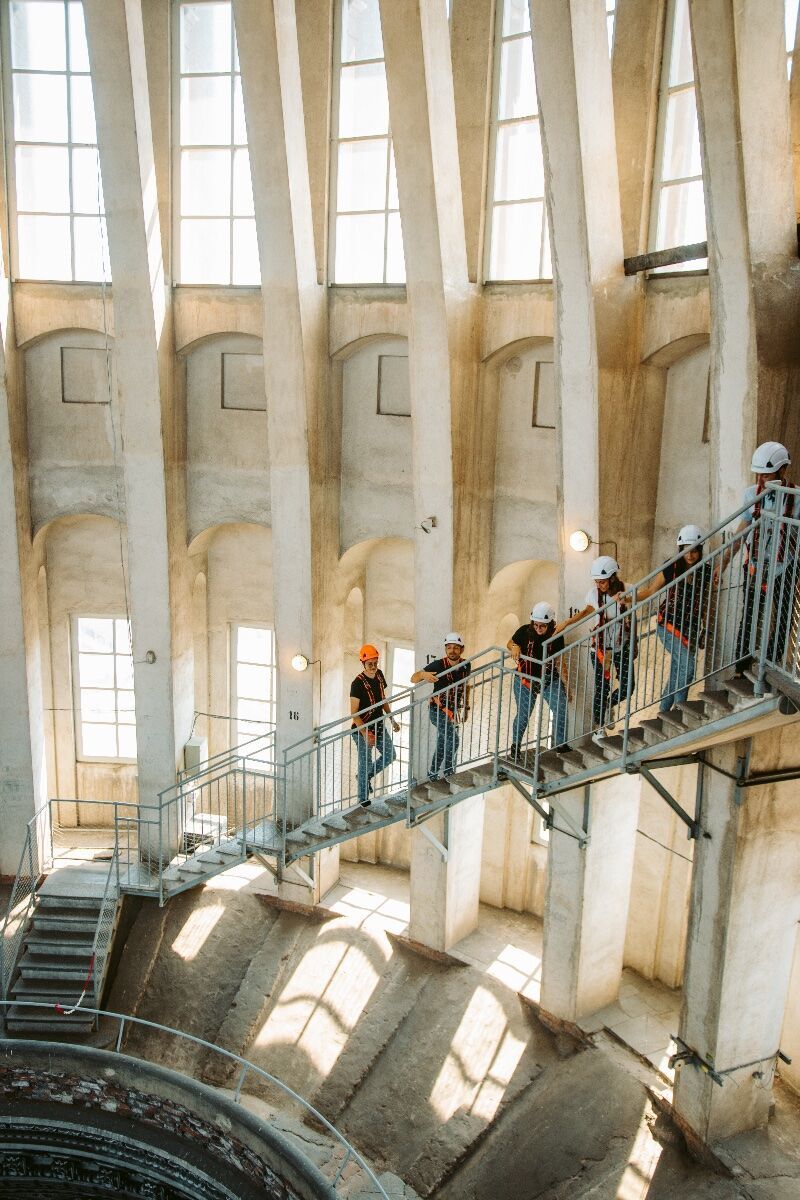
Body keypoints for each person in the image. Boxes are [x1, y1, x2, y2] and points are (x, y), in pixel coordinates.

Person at [718, 441, 800, 674]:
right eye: (758, 475)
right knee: (750, 617)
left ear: (782, 471)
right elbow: (741, 532)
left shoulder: (797, 498)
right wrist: (723, 563)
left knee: (783, 618)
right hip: (755, 566)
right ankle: (741, 668)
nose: (761, 480)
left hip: (785, 567)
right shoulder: (750, 494)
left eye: (766, 475)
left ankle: (770, 662)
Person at [633, 524, 712, 712]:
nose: (690, 555)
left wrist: (706, 628)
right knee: (688, 666)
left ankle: (663, 711)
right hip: (668, 623)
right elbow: (651, 590)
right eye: (686, 550)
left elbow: (705, 601)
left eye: (694, 551)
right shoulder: (672, 566)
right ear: (680, 549)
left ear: (700, 550)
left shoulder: (705, 570)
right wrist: (629, 598)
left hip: (690, 628)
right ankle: (679, 708)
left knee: (678, 670)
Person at [558, 555, 636, 735]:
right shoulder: (593, 594)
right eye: (597, 582)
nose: (598, 585)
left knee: (627, 687)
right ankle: (598, 729)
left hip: (622, 646)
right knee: (602, 688)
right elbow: (586, 612)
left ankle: (608, 705)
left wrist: (635, 643)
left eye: (602, 582)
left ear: (612, 578)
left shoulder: (628, 589)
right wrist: (567, 622)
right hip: (600, 650)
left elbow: (637, 609)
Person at [506, 603, 570, 756]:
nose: (538, 628)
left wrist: (567, 685)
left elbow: (560, 660)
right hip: (525, 679)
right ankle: (515, 747)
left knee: (561, 708)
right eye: (536, 625)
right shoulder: (524, 631)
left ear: (550, 624)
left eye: (543, 626)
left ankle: (560, 744)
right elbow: (510, 643)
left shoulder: (556, 636)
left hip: (548, 679)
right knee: (524, 714)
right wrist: (514, 646)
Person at [411, 633, 471, 781]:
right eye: (449, 647)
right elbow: (413, 678)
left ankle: (433, 772)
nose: (452, 651)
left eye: (456, 648)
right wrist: (423, 675)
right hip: (436, 709)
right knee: (453, 740)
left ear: (461, 649)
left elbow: (466, 686)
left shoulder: (466, 665)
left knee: (443, 742)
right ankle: (449, 772)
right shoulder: (438, 665)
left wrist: (466, 707)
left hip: (452, 711)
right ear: (445, 649)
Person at [350, 644, 400, 808]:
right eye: (369, 663)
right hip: (361, 729)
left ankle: (364, 777)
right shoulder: (357, 684)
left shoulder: (379, 675)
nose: (373, 666)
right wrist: (365, 733)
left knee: (390, 755)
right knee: (365, 762)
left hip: (378, 725)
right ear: (363, 663)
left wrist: (392, 719)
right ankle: (362, 799)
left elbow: (382, 699)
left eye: (375, 663)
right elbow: (354, 713)